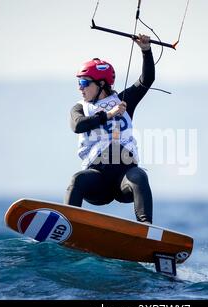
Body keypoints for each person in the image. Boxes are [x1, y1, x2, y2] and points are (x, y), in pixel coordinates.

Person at [64, 34, 154, 224]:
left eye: (84, 83)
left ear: (101, 84)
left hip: (124, 179)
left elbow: (147, 79)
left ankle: (145, 229)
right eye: (79, 82)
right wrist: (109, 115)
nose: (80, 88)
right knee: (76, 180)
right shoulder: (80, 108)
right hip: (98, 181)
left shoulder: (124, 101)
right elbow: (78, 125)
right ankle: (68, 225)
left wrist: (146, 50)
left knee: (139, 176)